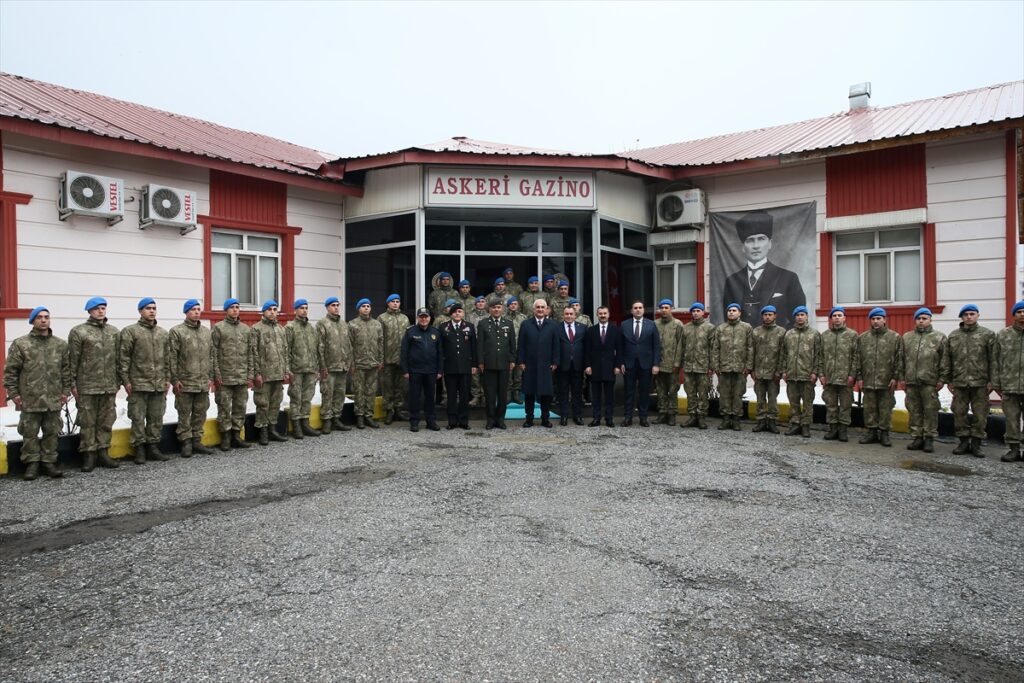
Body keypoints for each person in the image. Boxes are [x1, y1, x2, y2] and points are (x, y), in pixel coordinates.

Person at [4, 306, 70, 480]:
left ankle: (49, 462)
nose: (43, 320)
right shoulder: (21, 344)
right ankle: (31, 464)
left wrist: (65, 391)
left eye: (46, 317)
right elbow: (11, 371)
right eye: (39, 317)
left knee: (51, 431)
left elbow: (66, 371)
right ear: (33, 321)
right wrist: (14, 394)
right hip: (30, 398)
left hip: (53, 398)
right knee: (29, 433)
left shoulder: (60, 344)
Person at [722, 211, 806, 329]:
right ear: (743, 247)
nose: (756, 246)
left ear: (770, 244)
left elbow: (797, 319)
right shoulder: (731, 281)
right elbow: (728, 320)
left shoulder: (789, 278)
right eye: (750, 240)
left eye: (761, 239)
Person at [68, 296, 120, 471]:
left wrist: (118, 380)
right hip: (87, 386)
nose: (101, 310)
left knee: (106, 420)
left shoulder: (113, 332)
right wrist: (72, 384)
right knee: (87, 422)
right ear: (89, 310)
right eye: (97, 308)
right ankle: (89, 454)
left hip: (109, 385)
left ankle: (103, 452)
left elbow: (119, 359)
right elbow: (72, 360)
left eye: (103, 307)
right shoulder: (79, 332)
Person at [118, 297, 170, 463]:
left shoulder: (162, 333)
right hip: (138, 383)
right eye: (148, 308)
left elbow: (168, 359)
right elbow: (123, 358)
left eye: (154, 308)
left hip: (158, 383)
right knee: (138, 418)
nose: (152, 311)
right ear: (140, 311)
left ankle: (153, 447)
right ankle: (139, 448)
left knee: (156, 417)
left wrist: (167, 379)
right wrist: (126, 381)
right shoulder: (130, 331)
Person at [168, 299, 214, 457]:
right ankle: (185, 442)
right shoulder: (177, 331)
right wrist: (174, 379)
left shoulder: (206, 332)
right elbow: (172, 357)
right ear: (186, 312)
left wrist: (210, 376)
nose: (196, 312)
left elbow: (211, 356)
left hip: (202, 381)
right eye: (192, 309)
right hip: (185, 381)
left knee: (200, 412)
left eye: (198, 309)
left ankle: (196, 440)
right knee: (184, 413)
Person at [947, 304, 995, 458]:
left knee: (980, 415)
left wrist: (992, 380)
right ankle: (962, 442)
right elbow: (948, 360)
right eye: (966, 314)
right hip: (960, 382)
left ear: (978, 315)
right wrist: (949, 380)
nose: (969, 317)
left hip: (980, 383)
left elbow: (993, 360)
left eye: (972, 314)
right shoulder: (954, 336)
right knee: (959, 413)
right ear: (961, 317)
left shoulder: (987, 335)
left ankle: (976, 444)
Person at [900, 307, 949, 453]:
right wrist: (902, 378)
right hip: (911, 381)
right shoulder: (907, 337)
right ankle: (917, 437)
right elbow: (901, 359)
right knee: (914, 410)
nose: (921, 321)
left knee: (930, 410)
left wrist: (942, 379)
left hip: (929, 381)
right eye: (919, 318)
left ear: (930, 320)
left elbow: (944, 360)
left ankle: (929, 438)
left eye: (924, 318)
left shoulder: (939, 337)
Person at [855, 307, 902, 448]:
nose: (876, 321)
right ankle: (871, 432)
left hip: (886, 381)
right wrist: (860, 378)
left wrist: (895, 377)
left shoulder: (894, 337)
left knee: (885, 408)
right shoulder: (863, 338)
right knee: (869, 408)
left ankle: (885, 433)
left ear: (884, 319)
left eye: (878, 318)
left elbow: (899, 359)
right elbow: (858, 359)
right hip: (868, 380)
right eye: (873, 319)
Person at [211, 297, 254, 450]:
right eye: (232, 307)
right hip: (225, 376)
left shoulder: (245, 329)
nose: (235, 309)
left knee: (240, 407)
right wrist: (216, 375)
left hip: (241, 376)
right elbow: (213, 353)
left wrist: (250, 374)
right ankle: (226, 437)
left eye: (237, 307)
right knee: (223, 407)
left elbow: (251, 353)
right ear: (226, 310)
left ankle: (236, 435)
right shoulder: (219, 328)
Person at [250, 300, 290, 445]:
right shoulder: (256, 329)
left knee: (275, 403)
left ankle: (272, 428)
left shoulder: (280, 329)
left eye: (275, 309)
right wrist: (256, 373)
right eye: (270, 310)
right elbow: (253, 352)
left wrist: (286, 370)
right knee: (262, 403)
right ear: (264, 312)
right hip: (264, 374)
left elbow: (285, 351)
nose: (273, 312)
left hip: (278, 374)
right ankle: (263, 431)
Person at [780, 305, 821, 438]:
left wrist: (815, 372)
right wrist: (784, 371)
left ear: (807, 316)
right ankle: (795, 424)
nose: (800, 317)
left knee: (808, 402)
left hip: (807, 375)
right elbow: (784, 354)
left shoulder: (814, 334)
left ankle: (806, 426)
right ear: (795, 317)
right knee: (794, 402)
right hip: (792, 374)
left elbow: (818, 355)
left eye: (802, 315)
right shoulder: (789, 334)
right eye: (797, 315)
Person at [518, 298, 559, 428]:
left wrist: (555, 361)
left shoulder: (553, 325)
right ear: (533, 309)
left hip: (546, 364)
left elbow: (556, 345)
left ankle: (545, 418)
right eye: (538, 307)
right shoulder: (526, 324)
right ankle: (529, 418)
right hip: (529, 364)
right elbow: (521, 345)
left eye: (543, 307)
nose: (540, 309)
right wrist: (521, 361)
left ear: (546, 309)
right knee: (529, 393)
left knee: (546, 393)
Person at [401, 308, 443, 432]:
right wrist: (405, 370)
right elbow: (404, 352)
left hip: (431, 371)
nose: (424, 319)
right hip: (415, 371)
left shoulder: (436, 332)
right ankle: (414, 421)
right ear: (418, 318)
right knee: (415, 397)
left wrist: (440, 370)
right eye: (421, 317)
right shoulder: (410, 331)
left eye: (426, 317)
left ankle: (431, 421)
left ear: (430, 318)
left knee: (430, 397)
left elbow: (440, 353)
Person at [619, 300, 661, 427]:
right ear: (632, 310)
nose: (638, 310)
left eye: (640, 307)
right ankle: (628, 417)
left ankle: (643, 417)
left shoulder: (651, 325)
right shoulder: (624, 325)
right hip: (629, 363)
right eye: (635, 308)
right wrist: (621, 362)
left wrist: (656, 364)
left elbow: (656, 346)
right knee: (628, 391)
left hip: (646, 364)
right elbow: (620, 346)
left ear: (643, 310)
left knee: (644, 391)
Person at [820, 307, 858, 442]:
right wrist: (821, 375)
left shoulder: (852, 335)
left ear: (844, 318)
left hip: (845, 378)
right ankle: (833, 429)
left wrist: (852, 375)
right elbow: (820, 357)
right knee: (830, 404)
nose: (836, 317)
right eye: (834, 315)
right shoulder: (825, 335)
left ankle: (843, 430)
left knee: (845, 405)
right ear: (831, 318)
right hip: (829, 377)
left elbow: (856, 357)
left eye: (839, 315)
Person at [477, 297, 517, 429]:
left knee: (502, 394)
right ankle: (490, 419)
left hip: (504, 364)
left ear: (502, 309)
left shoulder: (508, 323)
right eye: (494, 307)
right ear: (490, 309)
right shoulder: (483, 324)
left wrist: (512, 360)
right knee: (490, 394)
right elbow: (480, 345)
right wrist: (481, 362)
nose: (496, 309)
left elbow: (512, 344)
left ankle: (500, 419)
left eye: (499, 307)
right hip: (488, 365)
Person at [713, 303, 753, 431]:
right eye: (729, 310)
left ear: (739, 313)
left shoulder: (746, 328)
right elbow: (716, 349)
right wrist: (716, 366)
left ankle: (736, 419)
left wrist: (748, 366)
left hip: (740, 368)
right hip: (724, 368)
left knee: (738, 394)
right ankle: (725, 419)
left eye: (734, 310)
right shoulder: (721, 328)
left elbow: (750, 348)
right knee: (724, 394)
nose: (731, 312)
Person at [993, 300, 1024, 462]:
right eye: (1019, 312)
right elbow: (995, 360)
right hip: (1009, 385)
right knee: (1011, 419)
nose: (1022, 314)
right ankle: (1013, 450)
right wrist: (997, 383)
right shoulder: (1003, 335)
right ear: (1014, 315)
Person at [285, 298, 321, 439]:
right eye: (301, 308)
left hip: (310, 369)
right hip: (297, 369)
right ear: (295, 310)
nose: (304, 310)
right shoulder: (290, 328)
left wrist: (316, 367)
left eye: (306, 308)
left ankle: (305, 423)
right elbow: (286, 350)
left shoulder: (311, 328)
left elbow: (316, 349)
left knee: (307, 398)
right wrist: (288, 370)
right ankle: (296, 426)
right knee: (296, 397)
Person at [316, 296, 352, 434]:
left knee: (340, 394)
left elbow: (348, 345)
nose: (336, 307)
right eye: (332, 305)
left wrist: (348, 362)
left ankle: (336, 418)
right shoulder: (322, 324)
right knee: (327, 394)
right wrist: (322, 366)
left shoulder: (344, 324)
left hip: (342, 366)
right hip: (329, 367)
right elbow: (320, 347)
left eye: (337, 305)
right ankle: (326, 420)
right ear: (327, 307)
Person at [439, 302, 477, 429]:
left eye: (459, 311)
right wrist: (441, 367)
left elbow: (473, 348)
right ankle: (452, 421)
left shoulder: (469, 327)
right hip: (449, 367)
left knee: (465, 395)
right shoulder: (444, 327)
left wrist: (474, 365)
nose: (457, 314)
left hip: (466, 367)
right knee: (451, 396)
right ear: (451, 314)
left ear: (463, 313)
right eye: (455, 312)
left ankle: (464, 421)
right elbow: (440, 349)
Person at [751, 305, 786, 433]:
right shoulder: (756, 331)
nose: (767, 317)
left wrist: (779, 371)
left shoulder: (781, 332)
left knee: (772, 398)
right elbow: (751, 352)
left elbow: (783, 353)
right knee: (760, 398)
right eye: (765, 314)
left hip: (773, 373)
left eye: (770, 314)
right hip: (759, 372)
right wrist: (752, 370)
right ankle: (760, 421)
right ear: (762, 316)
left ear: (775, 316)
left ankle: (772, 422)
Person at [349, 298, 384, 429]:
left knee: (371, 391)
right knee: (359, 391)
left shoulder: (377, 324)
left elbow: (380, 343)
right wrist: (352, 363)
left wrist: (381, 360)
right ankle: (359, 416)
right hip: (359, 364)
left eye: (368, 306)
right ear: (359, 308)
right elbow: (349, 346)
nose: (366, 308)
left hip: (373, 364)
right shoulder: (352, 324)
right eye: (363, 306)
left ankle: (369, 416)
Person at [679, 302, 715, 429]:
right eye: (693, 311)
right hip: (689, 366)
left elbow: (713, 349)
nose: (695, 313)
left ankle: (701, 417)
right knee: (690, 392)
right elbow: (681, 347)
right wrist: (680, 363)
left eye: (698, 311)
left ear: (703, 313)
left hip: (703, 366)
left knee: (703, 393)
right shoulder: (686, 327)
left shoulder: (710, 328)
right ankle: (692, 416)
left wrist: (711, 367)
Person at [584, 306, 620, 427]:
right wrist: (587, 365)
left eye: (605, 313)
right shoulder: (591, 331)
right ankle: (596, 418)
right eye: (600, 313)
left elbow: (619, 350)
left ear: (609, 315)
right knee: (596, 396)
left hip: (610, 368)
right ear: (597, 315)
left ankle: (609, 418)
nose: (603, 315)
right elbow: (587, 350)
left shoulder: (615, 330)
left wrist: (617, 366)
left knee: (609, 396)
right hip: (595, 368)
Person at [378, 293, 411, 424]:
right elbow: (379, 339)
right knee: (387, 386)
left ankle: (398, 409)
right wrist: (380, 358)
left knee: (401, 386)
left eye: (398, 301)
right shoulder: (382, 318)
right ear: (388, 303)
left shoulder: (405, 318)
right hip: (387, 358)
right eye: (393, 301)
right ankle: (388, 411)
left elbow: (408, 338)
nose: (396, 303)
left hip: (402, 358)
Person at [654, 299, 684, 425]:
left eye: (666, 307)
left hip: (672, 364)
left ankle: (672, 414)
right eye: (662, 308)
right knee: (660, 390)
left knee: (672, 390)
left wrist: (677, 364)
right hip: (659, 364)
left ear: (671, 309)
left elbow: (680, 345)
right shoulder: (655, 324)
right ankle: (662, 413)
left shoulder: (678, 324)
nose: (664, 310)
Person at [555, 305, 587, 425]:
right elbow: (555, 347)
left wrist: (586, 364)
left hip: (578, 365)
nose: (569, 316)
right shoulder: (557, 328)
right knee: (562, 392)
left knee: (577, 392)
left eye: (571, 314)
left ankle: (577, 416)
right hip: (562, 366)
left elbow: (586, 347)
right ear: (563, 315)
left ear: (575, 315)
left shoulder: (583, 328)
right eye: (566, 314)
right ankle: (564, 416)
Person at [466, 295, 489, 407]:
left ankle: (485, 396)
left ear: (485, 304)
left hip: (486, 348)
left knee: (486, 372)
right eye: (478, 302)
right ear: (475, 304)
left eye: (482, 301)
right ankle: (476, 396)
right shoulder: (470, 316)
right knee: (474, 374)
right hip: (473, 347)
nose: (480, 303)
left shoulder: (489, 316)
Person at [505, 297, 527, 404]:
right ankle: (508, 393)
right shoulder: (503, 317)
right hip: (507, 350)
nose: (513, 305)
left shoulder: (523, 318)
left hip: (520, 349)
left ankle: (516, 393)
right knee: (508, 372)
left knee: (518, 373)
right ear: (508, 306)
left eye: (515, 304)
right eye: (511, 304)